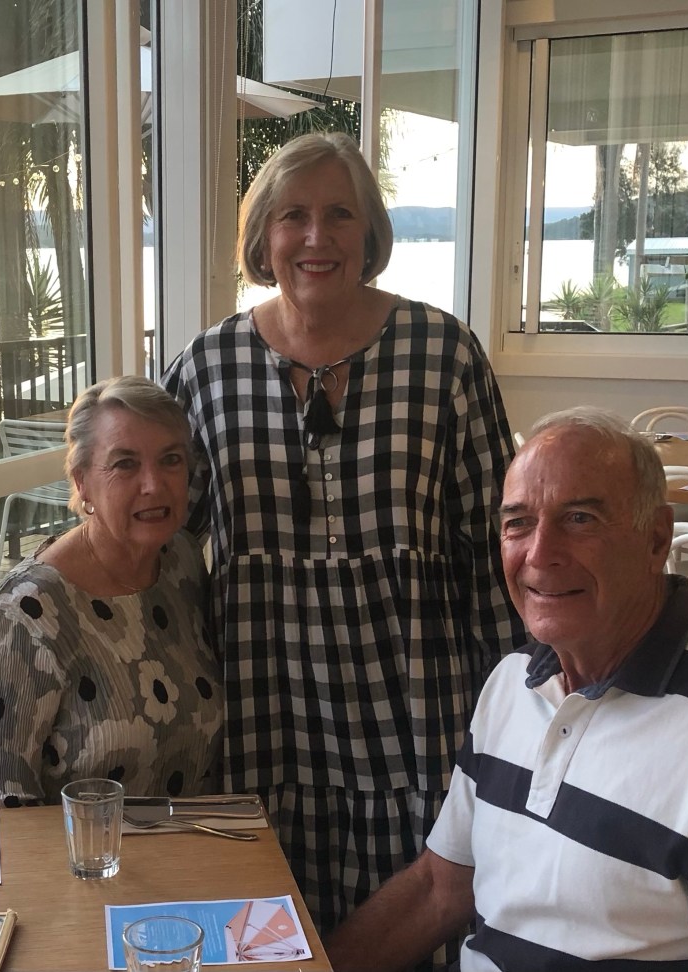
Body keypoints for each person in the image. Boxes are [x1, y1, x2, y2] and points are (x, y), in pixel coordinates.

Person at [162, 131, 524, 934]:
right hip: (264, 718)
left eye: (339, 214)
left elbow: (498, 546)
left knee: (420, 924)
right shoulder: (207, 367)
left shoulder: (444, 354)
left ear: (371, 233)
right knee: (263, 931)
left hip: (417, 717)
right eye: (293, 215)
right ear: (263, 238)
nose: (316, 236)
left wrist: (519, 709)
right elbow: (164, 545)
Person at [326, 406, 688, 971]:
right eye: (518, 522)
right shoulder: (513, 682)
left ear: (656, 538)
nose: (540, 553)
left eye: (580, 519)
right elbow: (439, 888)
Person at [0, 376, 222, 812]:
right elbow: (1, 812)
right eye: (125, 464)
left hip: (147, 842)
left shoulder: (181, 561)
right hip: (13, 846)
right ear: (81, 482)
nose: (153, 484)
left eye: (170, 459)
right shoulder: (27, 613)